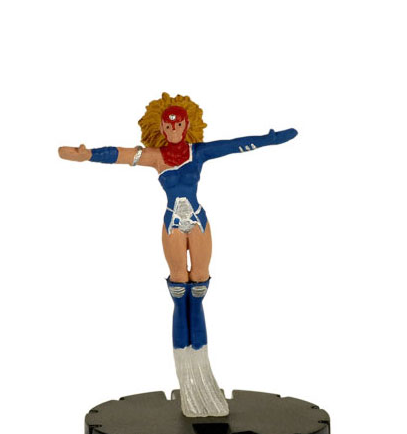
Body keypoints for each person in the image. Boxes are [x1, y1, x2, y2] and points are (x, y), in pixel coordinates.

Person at [59, 92, 297, 417]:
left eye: (178, 124)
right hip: (172, 224)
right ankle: (187, 371)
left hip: (198, 222)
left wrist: (269, 139)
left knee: (198, 288)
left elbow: (233, 145)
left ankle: (201, 366)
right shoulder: (155, 157)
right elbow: (120, 155)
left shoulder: (198, 152)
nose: (173, 130)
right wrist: (88, 155)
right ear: (161, 127)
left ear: (187, 125)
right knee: (178, 290)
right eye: (168, 125)